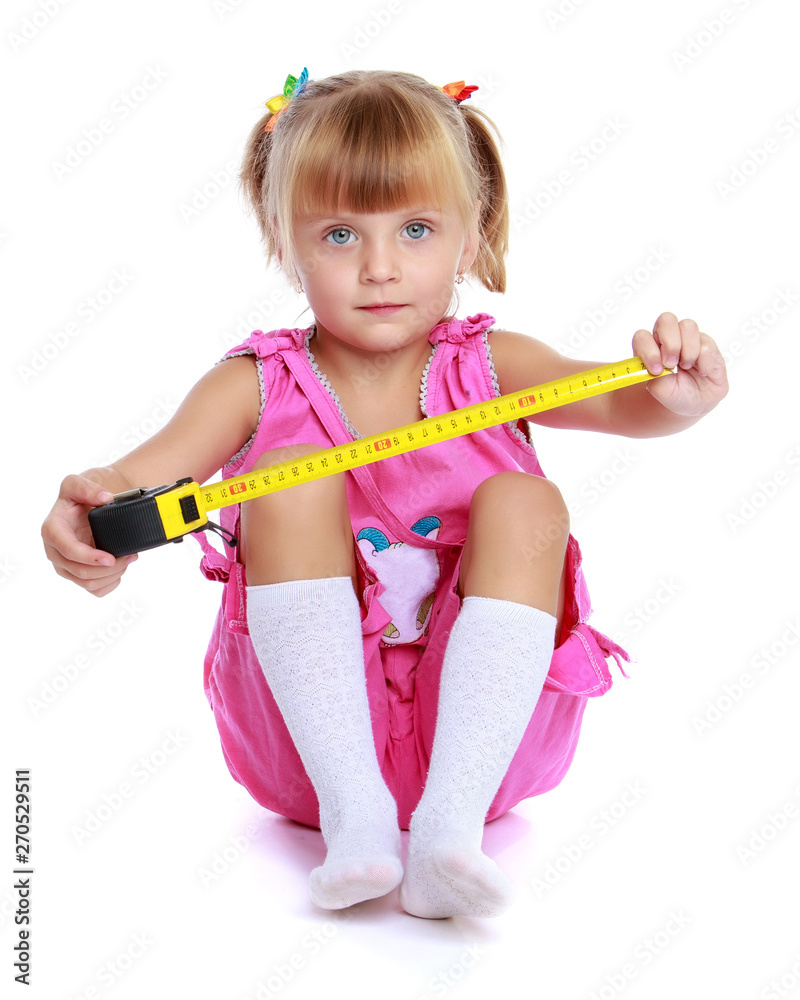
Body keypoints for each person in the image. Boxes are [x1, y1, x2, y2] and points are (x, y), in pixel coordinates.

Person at [41, 69, 728, 919]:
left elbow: (622, 403)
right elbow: (144, 473)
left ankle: (448, 840)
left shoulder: (494, 366)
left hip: (489, 750)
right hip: (305, 752)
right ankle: (357, 824)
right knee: (288, 481)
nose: (379, 267)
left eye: (415, 229)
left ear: (470, 237)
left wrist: (678, 398)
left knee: (527, 500)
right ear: (284, 241)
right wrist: (90, 511)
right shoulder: (253, 384)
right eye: (339, 235)